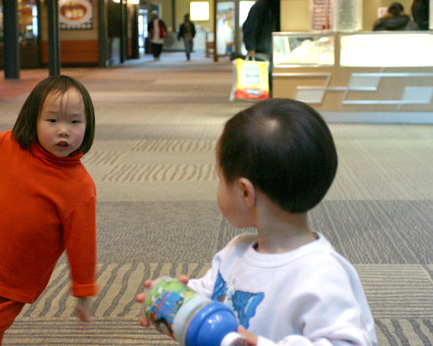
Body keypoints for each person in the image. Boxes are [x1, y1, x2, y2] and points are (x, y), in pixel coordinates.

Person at [137, 98, 377, 346]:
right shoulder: (236, 251)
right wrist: (181, 300)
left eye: (219, 178)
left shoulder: (322, 274)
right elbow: (215, 295)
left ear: (244, 192)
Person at [0, 75, 98, 345]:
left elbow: (82, 244)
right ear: (33, 119)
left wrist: (84, 291)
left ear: (88, 126)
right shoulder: (7, 147)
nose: (63, 130)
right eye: (52, 120)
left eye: (75, 121)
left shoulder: (79, 186)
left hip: (11, 282)